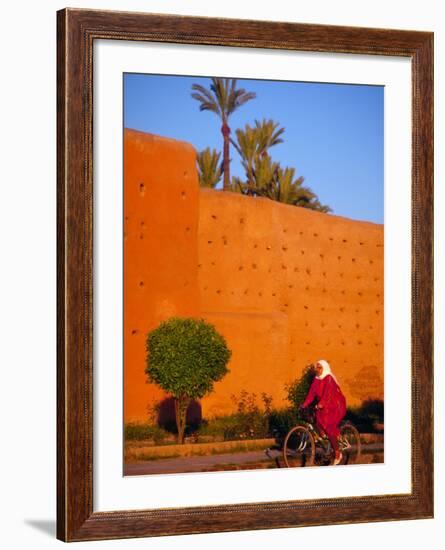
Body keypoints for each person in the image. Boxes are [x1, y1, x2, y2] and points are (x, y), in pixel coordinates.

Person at [300, 360, 346, 465]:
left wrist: (321, 403)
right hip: (324, 406)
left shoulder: (329, 378)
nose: (317, 370)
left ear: (324, 368)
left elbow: (328, 393)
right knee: (317, 420)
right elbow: (311, 394)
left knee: (329, 427)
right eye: (317, 367)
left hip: (336, 405)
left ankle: (338, 453)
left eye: (320, 367)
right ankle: (330, 439)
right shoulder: (316, 379)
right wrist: (304, 404)